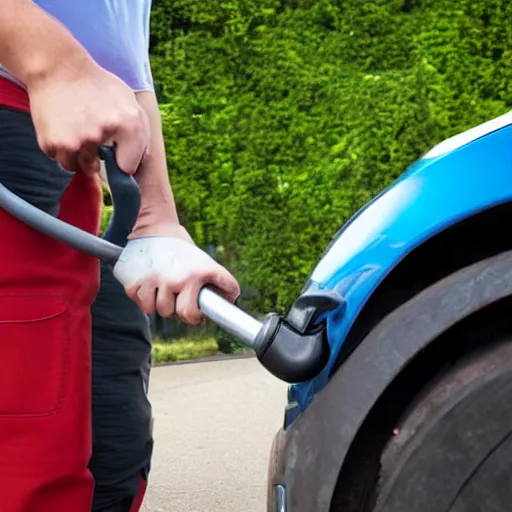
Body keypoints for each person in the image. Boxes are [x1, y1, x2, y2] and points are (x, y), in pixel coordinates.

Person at [0, 1, 241, 511]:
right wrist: (50, 62)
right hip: (19, 100)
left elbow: (120, 48)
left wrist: (158, 219)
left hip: (65, 126)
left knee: (115, 448)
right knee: (28, 447)